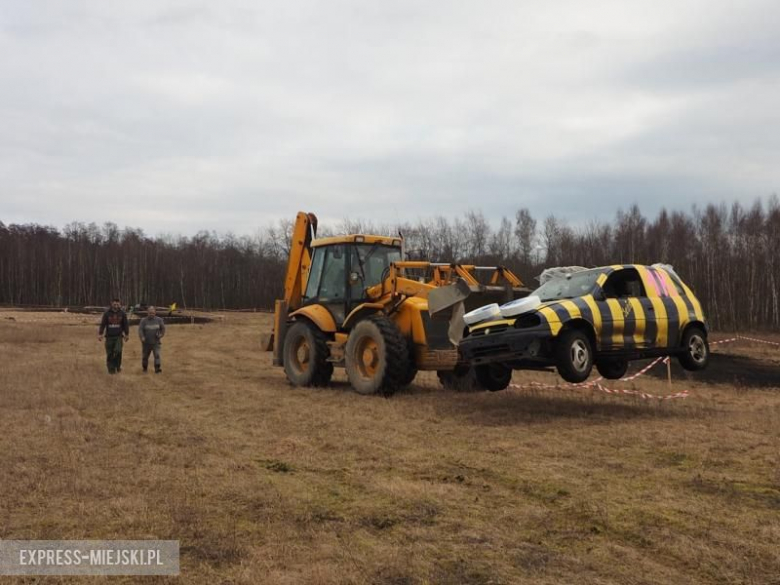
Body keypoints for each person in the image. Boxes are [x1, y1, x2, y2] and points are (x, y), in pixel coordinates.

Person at [98, 298, 129, 374]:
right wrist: (100, 334)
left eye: (117, 304)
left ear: (119, 304)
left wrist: (126, 334)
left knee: (118, 351)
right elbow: (103, 324)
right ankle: (111, 369)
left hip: (118, 336)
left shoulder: (122, 314)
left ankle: (117, 366)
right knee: (110, 353)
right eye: (114, 304)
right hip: (109, 337)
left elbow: (125, 324)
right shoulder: (107, 313)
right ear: (111, 304)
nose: (116, 305)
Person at [138, 305, 166, 373]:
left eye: (153, 313)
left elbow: (163, 329)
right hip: (146, 343)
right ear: (147, 313)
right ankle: (145, 369)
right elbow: (140, 330)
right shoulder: (143, 320)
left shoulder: (159, 320)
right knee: (145, 357)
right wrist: (142, 337)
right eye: (150, 313)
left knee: (157, 355)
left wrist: (161, 335)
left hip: (156, 342)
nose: (151, 314)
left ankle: (157, 369)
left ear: (155, 313)